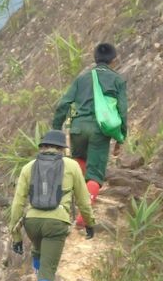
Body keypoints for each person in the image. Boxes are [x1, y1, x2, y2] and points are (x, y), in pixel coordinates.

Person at [8, 130, 95, 281]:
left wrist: (16, 236)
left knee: (38, 252)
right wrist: (89, 222)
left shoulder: (29, 167)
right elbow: (83, 199)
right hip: (56, 223)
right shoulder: (72, 166)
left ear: (42, 147)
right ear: (62, 149)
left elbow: (17, 204)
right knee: (48, 272)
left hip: (32, 221)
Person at [51, 42, 128, 224]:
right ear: (114, 61)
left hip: (77, 128)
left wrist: (56, 129)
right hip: (99, 130)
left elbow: (64, 104)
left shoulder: (82, 79)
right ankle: (83, 216)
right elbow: (122, 111)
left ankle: (67, 202)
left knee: (80, 161)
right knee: (95, 175)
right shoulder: (117, 80)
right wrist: (121, 137)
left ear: (95, 59)